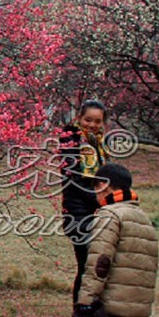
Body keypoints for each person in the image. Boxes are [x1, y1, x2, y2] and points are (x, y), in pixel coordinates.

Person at [71, 163, 158, 317]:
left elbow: (100, 261)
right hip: (137, 302)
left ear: (104, 186)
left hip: (116, 301)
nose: (95, 195)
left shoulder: (109, 214)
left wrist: (85, 300)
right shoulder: (141, 217)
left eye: (95, 188)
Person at [59, 100, 109, 305]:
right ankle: (81, 315)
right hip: (77, 210)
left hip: (99, 211)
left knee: (99, 264)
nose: (92, 124)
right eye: (88, 120)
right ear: (79, 118)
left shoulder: (99, 142)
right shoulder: (71, 141)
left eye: (97, 121)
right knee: (87, 264)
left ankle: (94, 309)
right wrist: (101, 199)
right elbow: (73, 180)